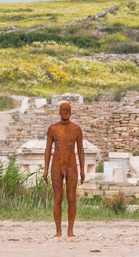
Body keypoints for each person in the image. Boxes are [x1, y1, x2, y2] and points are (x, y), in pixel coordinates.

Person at [43, 102, 85, 237]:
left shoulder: (76, 129)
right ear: (59, 112)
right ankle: (58, 230)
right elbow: (48, 149)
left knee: (71, 198)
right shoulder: (53, 129)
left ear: (71, 112)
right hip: (56, 166)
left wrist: (83, 169)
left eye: (68, 110)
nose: (65, 112)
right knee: (57, 199)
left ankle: (70, 230)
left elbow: (80, 150)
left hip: (71, 166)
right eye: (63, 110)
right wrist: (45, 169)